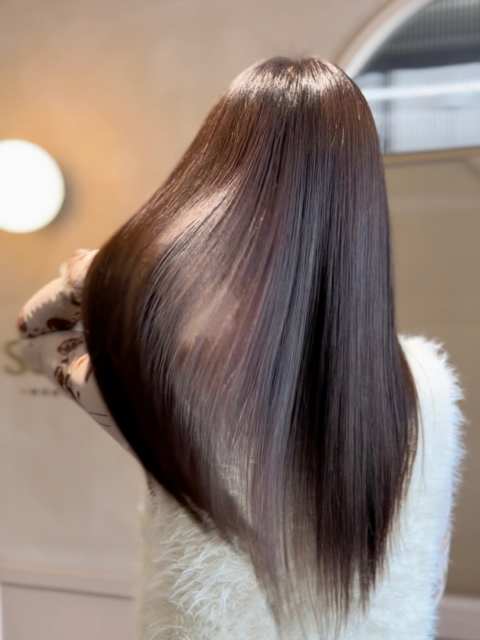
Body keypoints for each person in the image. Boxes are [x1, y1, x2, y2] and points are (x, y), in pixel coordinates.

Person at [16, 57, 464, 640]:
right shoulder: (428, 395)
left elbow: (37, 333)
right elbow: (430, 574)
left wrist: (101, 270)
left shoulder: (188, 384)